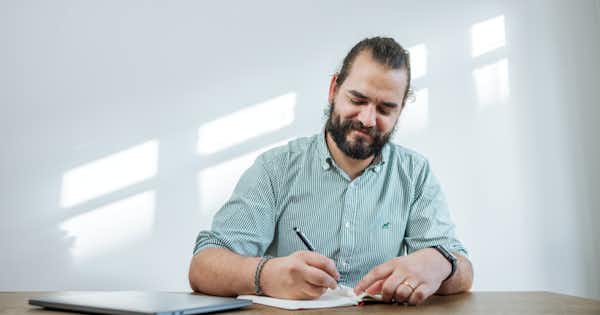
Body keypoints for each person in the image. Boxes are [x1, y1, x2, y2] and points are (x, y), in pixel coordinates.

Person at [188, 37, 473, 305]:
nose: (367, 119)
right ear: (333, 89)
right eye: (358, 100)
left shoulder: (415, 173)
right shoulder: (276, 168)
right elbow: (203, 266)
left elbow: (464, 270)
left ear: (400, 111)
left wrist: (441, 263)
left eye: (386, 109)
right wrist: (266, 274)